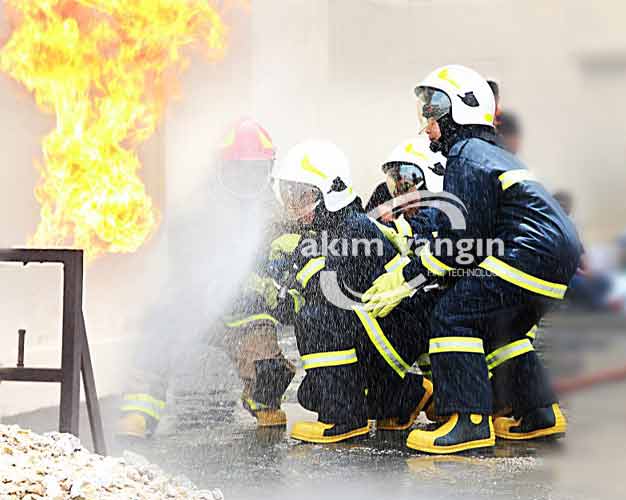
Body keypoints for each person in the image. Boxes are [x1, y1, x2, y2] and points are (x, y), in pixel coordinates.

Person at [363, 65, 581, 454]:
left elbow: (464, 240)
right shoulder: (492, 153)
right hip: (555, 257)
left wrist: (409, 276)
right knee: (503, 329)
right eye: (425, 115)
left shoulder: (466, 155)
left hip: (525, 251)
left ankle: (468, 423)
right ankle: (539, 414)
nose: (427, 126)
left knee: (453, 314)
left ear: (462, 110)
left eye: (434, 114)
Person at [118, 119, 295, 437]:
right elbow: (184, 266)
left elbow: (287, 265)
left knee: (267, 368)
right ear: (223, 169)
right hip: (199, 308)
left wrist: (267, 285)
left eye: (255, 170)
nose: (247, 177)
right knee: (160, 329)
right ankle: (140, 410)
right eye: (240, 169)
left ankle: (263, 402)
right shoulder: (199, 211)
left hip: (247, 315)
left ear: (267, 168)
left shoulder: (276, 215)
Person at [269, 140, 433, 443]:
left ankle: (343, 419)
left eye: (303, 196)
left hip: (397, 330)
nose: (295, 206)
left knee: (316, 318)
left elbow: (325, 293)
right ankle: (404, 397)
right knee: (312, 393)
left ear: (330, 193)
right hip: (380, 329)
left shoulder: (354, 229)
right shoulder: (330, 230)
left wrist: (290, 278)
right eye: (290, 196)